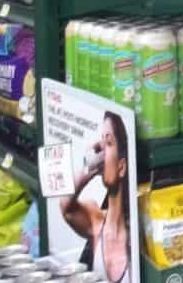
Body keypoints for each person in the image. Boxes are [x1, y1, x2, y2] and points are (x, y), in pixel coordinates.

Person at [61, 112, 132, 283]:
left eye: (109, 143)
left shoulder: (135, 233)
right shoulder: (96, 220)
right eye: (101, 144)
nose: (102, 154)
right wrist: (89, 168)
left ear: (121, 166)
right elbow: (66, 207)